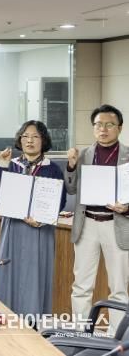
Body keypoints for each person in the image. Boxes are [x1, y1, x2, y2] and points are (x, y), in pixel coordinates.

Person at [0, 120, 66, 320]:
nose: (30, 141)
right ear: (20, 139)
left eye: (35, 136)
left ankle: (33, 323)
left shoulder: (52, 169)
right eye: (25, 136)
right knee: (8, 271)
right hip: (13, 227)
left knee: (35, 275)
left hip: (39, 229)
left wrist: (42, 220)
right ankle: (6, 319)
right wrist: (1, 165)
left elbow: (59, 201)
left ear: (44, 140)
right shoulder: (11, 165)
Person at [66, 104, 129, 332]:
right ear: (93, 127)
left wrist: (127, 208)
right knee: (82, 284)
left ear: (119, 128)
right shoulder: (83, 155)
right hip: (87, 225)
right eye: (98, 124)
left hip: (117, 224)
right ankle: (81, 333)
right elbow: (71, 189)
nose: (103, 129)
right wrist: (71, 166)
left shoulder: (128, 156)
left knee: (119, 287)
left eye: (109, 124)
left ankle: (116, 337)